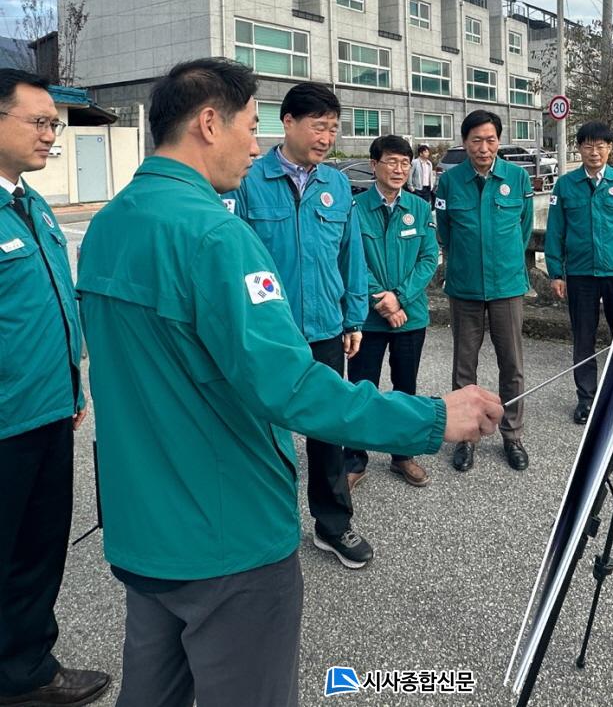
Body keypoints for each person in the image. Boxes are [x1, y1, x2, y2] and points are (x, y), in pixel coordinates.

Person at [76, 58, 503, 707]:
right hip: (227, 534)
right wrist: (432, 418)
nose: (255, 146)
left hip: (144, 528)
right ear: (209, 123)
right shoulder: (216, 234)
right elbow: (290, 387)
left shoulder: (110, 225)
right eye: (251, 127)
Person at [226, 82, 373, 568]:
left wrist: (353, 317)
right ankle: (263, 525)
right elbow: (232, 259)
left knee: (328, 426)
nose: (326, 137)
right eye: (318, 126)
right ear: (287, 122)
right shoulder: (249, 180)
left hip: (326, 328)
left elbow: (351, 256)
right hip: (269, 333)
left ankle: (332, 524)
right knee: (262, 430)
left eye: (333, 128)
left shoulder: (336, 185)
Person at [0, 69, 109, 707]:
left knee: (38, 552)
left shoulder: (32, 204)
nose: (51, 134)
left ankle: (25, 670)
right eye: (39, 122)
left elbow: (54, 303)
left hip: (49, 412)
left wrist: (73, 388)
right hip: (6, 423)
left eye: (54, 124)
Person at [435, 109, 533, 473]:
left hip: (507, 285)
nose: (483, 147)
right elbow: (444, 230)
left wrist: (505, 261)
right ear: (465, 143)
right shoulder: (449, 182)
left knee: (512, 364)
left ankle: (512, 435)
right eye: (476, 140)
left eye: (490, 140)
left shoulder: (518, 178)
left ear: (499, 141)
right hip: (465, 287)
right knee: (465, 366)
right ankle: (466, 437)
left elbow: (524, 229)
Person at [345, 135, 439, 489]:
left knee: (406, 388)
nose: (399, 169)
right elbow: (350, 259)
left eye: (405, 163)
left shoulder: (419, 208)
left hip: (410, 317)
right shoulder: (354, 209)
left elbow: (429, 259)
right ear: (374, 165)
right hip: (367, 320)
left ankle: (403, 454)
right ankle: (355, 458)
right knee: (361, 389)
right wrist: (380, 301)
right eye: (391, 161)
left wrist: (398, 298)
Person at [545, 120, 613, 425]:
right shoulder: (565, 185)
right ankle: (586, 399)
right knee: (583, 337)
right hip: (580, 274)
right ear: (579, 148)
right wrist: (556, 272)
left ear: (610, 148)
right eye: (588, 146)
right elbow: (556, 231)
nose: (594, 152)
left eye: (601, 146)